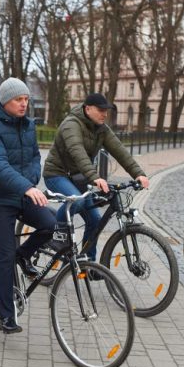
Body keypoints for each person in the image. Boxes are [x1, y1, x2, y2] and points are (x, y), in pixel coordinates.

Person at [0, 77, 56, 335]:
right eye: (18, 100)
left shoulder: (28, 125)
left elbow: (35, 156)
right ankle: (6, 316)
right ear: (5, 101)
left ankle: (24, 256)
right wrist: (26, 186)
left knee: (50, 224)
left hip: (23, 193)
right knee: (6, 254)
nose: (24, 104)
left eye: (26, 100)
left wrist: (31, 181)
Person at [43, 93, 149, 262]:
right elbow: (78, 152)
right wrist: (95, 177)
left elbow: (120, 151)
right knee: (77, 201)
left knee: (95, 219)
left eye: (106, 110)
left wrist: (138, 174)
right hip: (57, 174)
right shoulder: (71, 124)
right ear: (88, 108)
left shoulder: (102, 129)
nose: (104, 114)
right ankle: (59, 235)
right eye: (101, 110)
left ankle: (87, 263)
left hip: (80, 178)